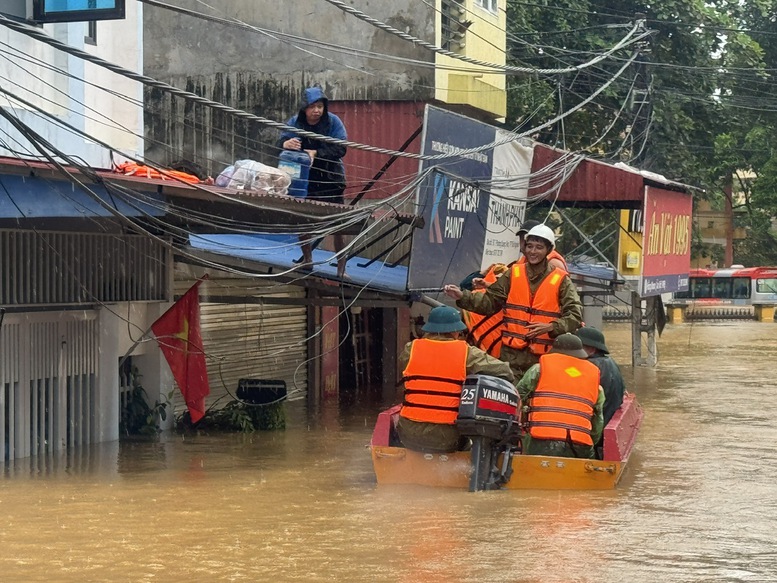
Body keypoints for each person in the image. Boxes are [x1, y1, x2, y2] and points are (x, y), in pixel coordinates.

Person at [443, 224, 583, 379]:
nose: (532, 251)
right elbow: (489, 302)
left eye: (539, 247)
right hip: (511, 356)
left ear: (548, 250)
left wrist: (551, 327)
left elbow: (575, 316)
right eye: (529, 246)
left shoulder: (561, 280)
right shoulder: (513, 273)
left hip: (544, 358)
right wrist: (462, 296)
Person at [397, 305, 515, 453]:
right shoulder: (467, 352)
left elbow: (406, 369)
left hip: (408, 432)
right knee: (474, 442)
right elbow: (506, 372)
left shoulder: (411, 348)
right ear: (454, 331)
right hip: (446, 436)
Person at [278, 86, 349, 278]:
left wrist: (316, 153)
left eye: (320, 106)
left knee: (338, 224)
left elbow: (341, 149)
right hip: (304, 180)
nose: (317, 110)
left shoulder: (333, 122)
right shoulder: (295, 122)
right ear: (304, 108)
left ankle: (342, 268)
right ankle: (307, 260)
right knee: (303, 220)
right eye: (312, 107)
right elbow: (278, 145)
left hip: (331, 178)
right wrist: (286, 144)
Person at [516, 333, 605, 459]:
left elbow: (517, 398)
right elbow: (598, 421)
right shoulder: (594, 380)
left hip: (541, 441)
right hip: (579, 444)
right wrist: (591, 441)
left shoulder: (538, 369)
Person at [575, 326, 625, 426]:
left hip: (598, 424)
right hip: (608, 417)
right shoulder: (610, 362)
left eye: (578, 346)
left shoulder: (589, 366)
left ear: (592, 349)